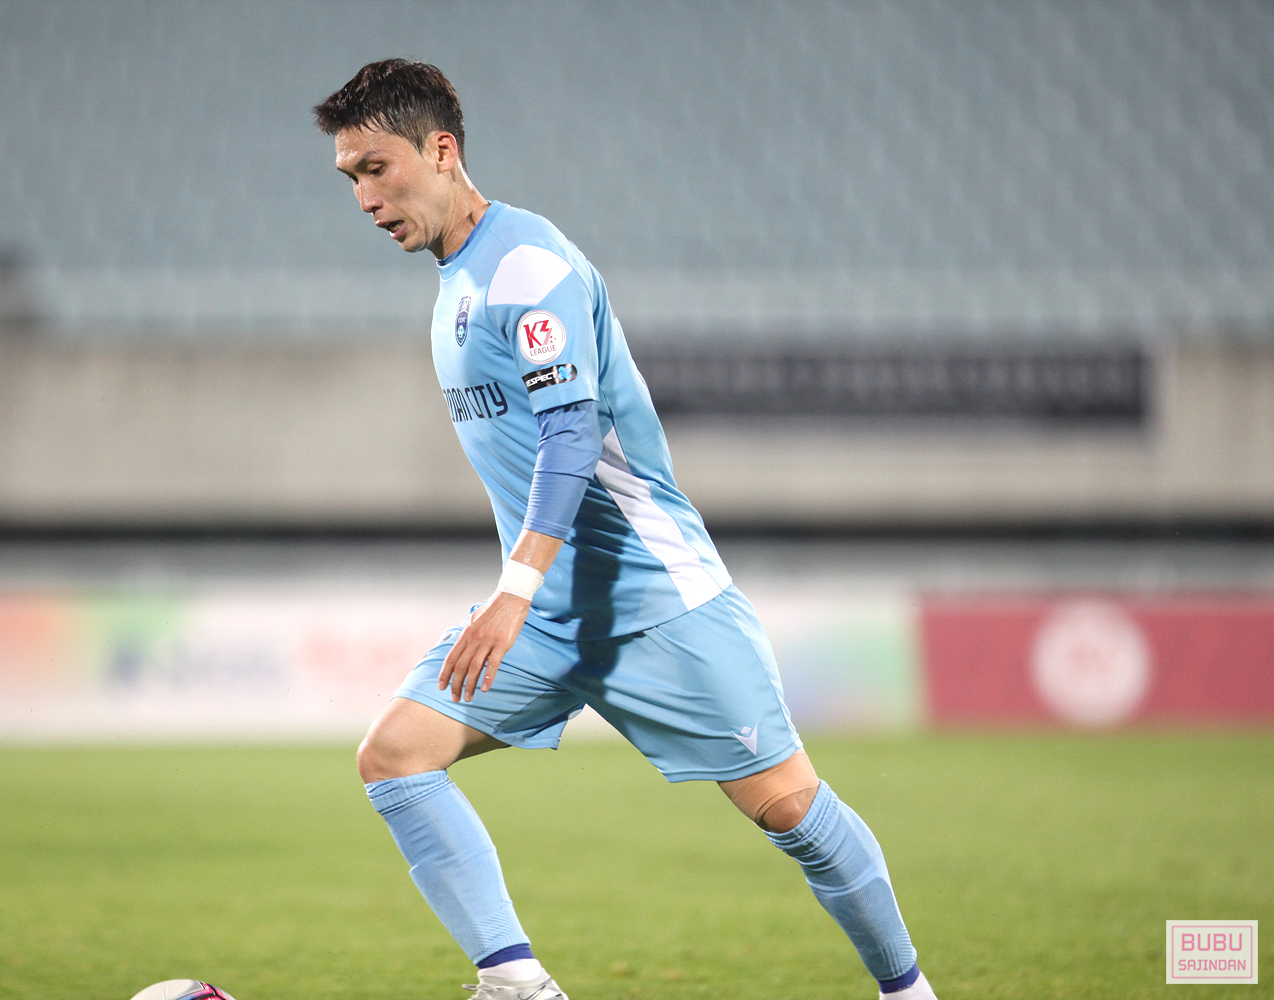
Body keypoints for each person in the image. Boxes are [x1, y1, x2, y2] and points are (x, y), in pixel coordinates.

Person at [313, 59, 938, 1000]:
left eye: (376, 168)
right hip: (548, 614)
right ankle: (516, 982)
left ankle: (908, 992)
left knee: (790, 809)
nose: (364, 197)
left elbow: (571, 435)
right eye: (350, 178)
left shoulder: (528, 267)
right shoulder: (457, 281)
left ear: (441, 151)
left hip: (654, 600)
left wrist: (512, 592)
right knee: (396, 756)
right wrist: (527, 596)